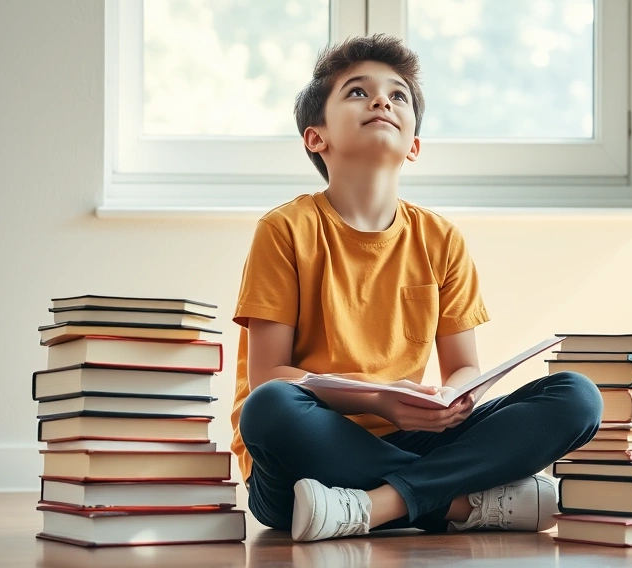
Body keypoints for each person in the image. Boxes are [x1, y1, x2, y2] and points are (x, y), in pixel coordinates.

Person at [231, 34, 603, 543]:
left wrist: (450, 398)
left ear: (414, 145)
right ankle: (456, 502)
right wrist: (380, 399)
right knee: (270, 407)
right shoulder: (286, 229)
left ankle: (376, 505)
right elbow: (268, 375)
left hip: (408, 440)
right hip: (304, 462)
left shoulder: (440, 238)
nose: (382, 101)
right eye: (358, 92)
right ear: (316, 137)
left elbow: (463, 367)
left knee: (577, 396)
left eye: (398, 95)